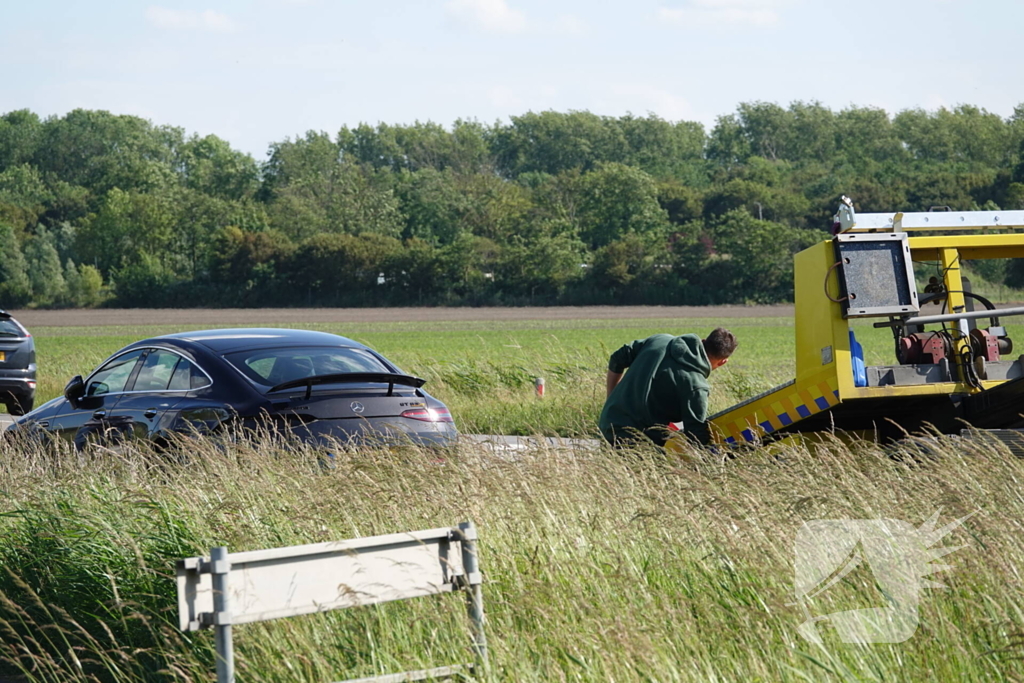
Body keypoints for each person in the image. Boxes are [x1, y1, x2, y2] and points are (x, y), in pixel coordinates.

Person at [598, 327, 737, 448]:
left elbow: (617, 358)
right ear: (723, 362)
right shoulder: (697, 385)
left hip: (608, 421)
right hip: (638, 439)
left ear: (703, 340)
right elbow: (696, 433)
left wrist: (610, 399)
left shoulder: (659, 340)